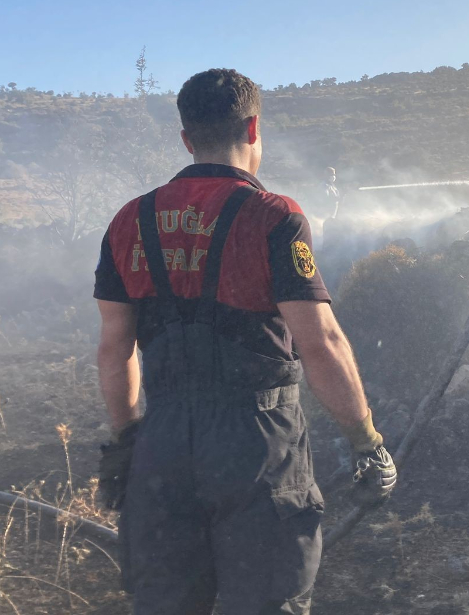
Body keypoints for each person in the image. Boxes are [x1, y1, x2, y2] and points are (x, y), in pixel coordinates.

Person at [93, 68, 397, 615]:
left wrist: (125, 442)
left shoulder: (127, 221)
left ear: (186, 138)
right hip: (256, 443)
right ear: (253, 128)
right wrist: (366, 441)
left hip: (162, 441)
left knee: (165, 602)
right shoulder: (273, 216)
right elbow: (320, 342)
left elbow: (115, 350)